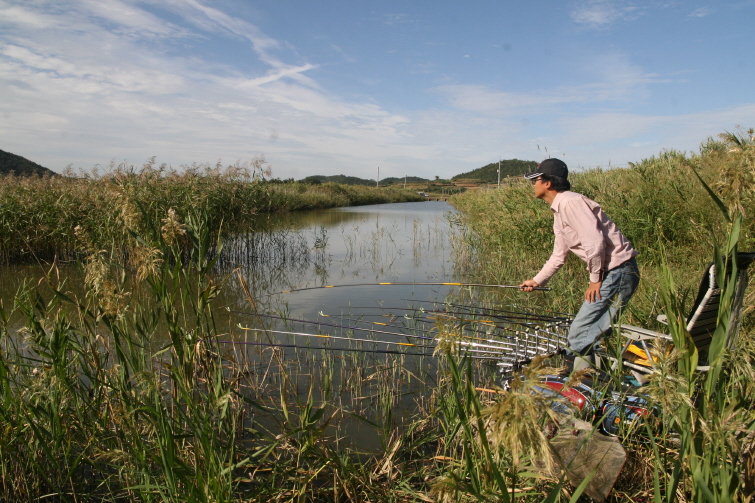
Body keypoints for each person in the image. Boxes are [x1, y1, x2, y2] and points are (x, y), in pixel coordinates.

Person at [519, 158, 640, 366]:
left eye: (536, 180)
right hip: (613, 273)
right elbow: (559, 255)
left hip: (618, 272)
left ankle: (577, 383)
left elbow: (595, 242)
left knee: (580, 332)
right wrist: (537, 281)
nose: (533, 185)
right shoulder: (559, 210)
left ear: (547, 183)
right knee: (591, 331)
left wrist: (595, 280)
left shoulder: (570, 203)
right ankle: (591, 378)